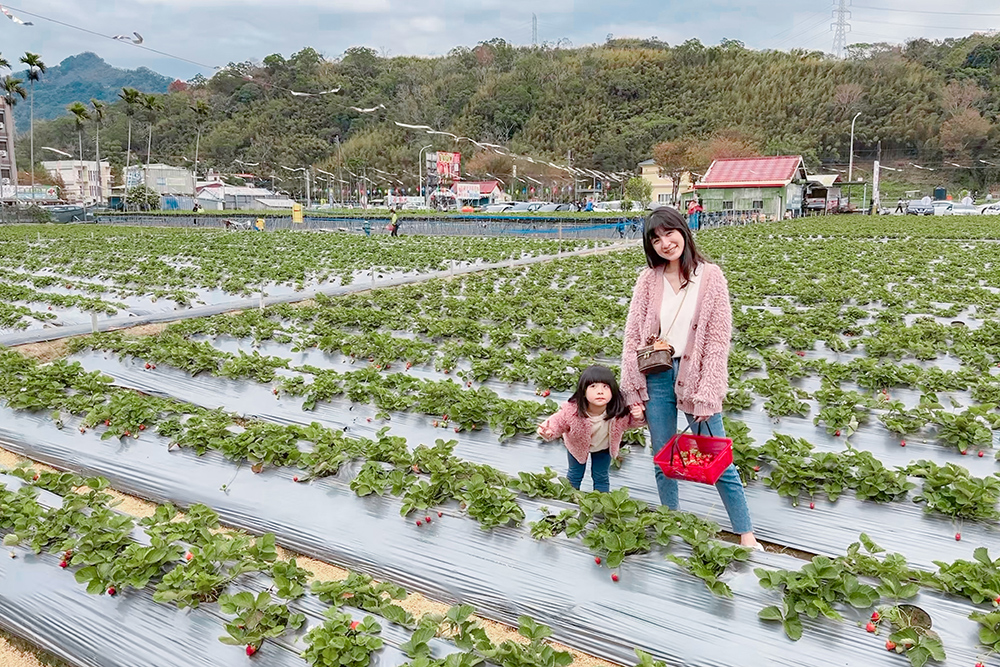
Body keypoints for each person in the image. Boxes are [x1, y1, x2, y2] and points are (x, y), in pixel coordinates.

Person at [620, 207, 762, 550]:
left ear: (683, 231)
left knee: (718, 457)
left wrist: (709, 392)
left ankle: (746, 532)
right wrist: (632, 390)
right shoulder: (647, 280)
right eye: (655, 239)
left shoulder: (710, 277)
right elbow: (632, 337)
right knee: (664, 457)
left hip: (696, 377)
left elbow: (716, 340)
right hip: (656, 376)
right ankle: (671, 522)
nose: (665, 243)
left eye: (670, 234)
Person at [537, 365, 645, 493]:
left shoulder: (618, 412)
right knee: (575, 475)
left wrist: (639, 416)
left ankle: (601, 502)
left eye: (605, 387)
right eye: (593, 386)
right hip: (577, 447)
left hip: (603, 448)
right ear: (583, 391)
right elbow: (558, 421)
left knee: (601, 477)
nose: (600, 391)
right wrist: (549, 430)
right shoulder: (572, 411)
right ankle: (570, 500)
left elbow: (632, 422)